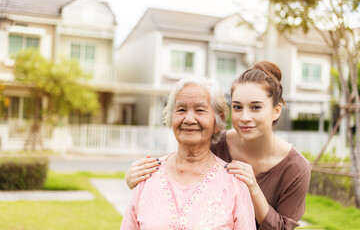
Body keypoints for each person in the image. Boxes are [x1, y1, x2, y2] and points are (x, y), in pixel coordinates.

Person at [125, 61, 311, 230]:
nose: (245, 117)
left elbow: (283, 229)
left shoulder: (295, 168)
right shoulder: (216, 142)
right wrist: (137, 178)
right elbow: (184, 159)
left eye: (256, 107)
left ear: (276, 110)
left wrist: (253, 188)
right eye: (238, 107)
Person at [120, 77, 256, 229]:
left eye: (200, 110)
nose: (189, 119)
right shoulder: (147, 175)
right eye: (181, 110)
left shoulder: (235, 184)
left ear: (218, 121)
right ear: (171, 118)